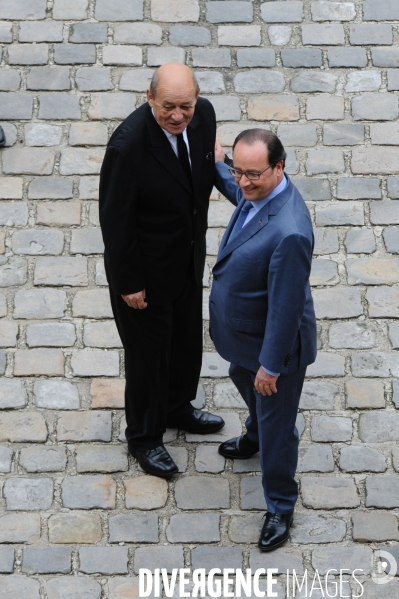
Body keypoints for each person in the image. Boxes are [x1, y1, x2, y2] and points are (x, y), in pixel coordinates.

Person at [99, 63, 224, 478]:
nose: (177, 116)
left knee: (186, 342)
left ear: (197, 98)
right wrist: (129, 283)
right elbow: (115, 222)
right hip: (145, 275)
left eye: (184, 106)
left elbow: (206, 168)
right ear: (149, 97)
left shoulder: (203, 115)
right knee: (147, 358)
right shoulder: (128, 147)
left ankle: (176, 407)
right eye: (168, 106)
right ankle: (145, 437)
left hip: (186, 259)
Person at [210, 130, 317, 551]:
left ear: (280, 167)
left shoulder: (290, 232)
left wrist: (270, 367)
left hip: (274, 349)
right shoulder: (255, 192)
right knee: (241, 378)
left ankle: (281, 504)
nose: (243, 182)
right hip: (242, 338)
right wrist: (217, 166)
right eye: (238, 171)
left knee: (278, 428)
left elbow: (286, 308)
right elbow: (240, 198)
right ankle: (254, 434)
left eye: (253, 173)